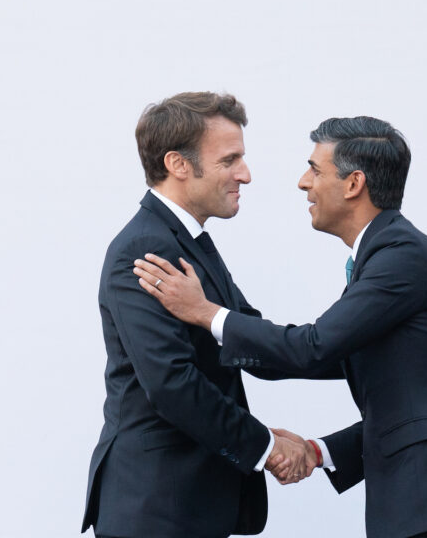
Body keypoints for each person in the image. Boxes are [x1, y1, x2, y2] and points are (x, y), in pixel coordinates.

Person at [134, 116, 427, 538]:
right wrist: (318, 452)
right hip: (425, 496)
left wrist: (205, 313)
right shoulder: (385, 254)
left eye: (315, 170)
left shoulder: (401, 256)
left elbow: (313, 347)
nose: (302, 182)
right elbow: (382, 382)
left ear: (353, 185)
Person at [82, 92, 309, 538]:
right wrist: (266, 445)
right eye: (230, 159)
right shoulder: (145, 248)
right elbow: (172, 384)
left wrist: (351, 344)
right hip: (157, 507)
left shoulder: (188, 240)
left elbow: (248, 338)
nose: (245, 174)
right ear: (178, 164)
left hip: (188, 506)